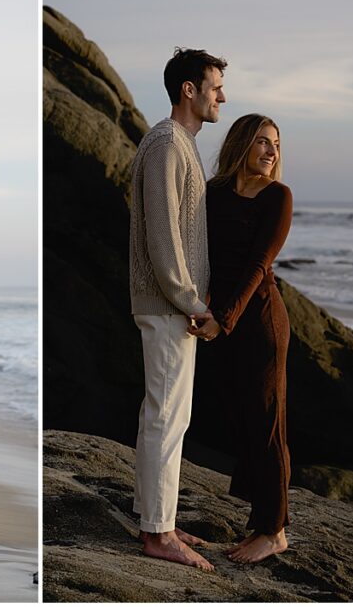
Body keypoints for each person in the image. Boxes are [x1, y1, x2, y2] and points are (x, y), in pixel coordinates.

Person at [128, 47, 227, 570]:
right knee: (166, 417)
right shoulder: (167, 144)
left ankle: (155, 517)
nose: (222, 98)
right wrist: (192, 302)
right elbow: (164, 238)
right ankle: (158, 534)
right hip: (169, 307)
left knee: (165, 416)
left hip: (174, 307)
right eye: (215, 88)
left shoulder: (179, 144)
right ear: (188, 89)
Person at [198, 113, 293, 563]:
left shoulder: (278, 196)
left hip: (260, 321)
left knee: (268, 420)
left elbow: (259, 265)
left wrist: (224, 318)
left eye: (276, 143)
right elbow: (202, 256)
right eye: (262, 141)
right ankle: (259, 520)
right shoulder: (213, 193)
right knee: (240, 417)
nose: (272, 150)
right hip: (224, 318)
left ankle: (274, 530)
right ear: (241, 144)